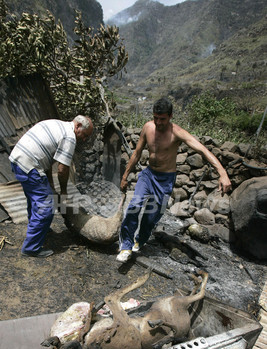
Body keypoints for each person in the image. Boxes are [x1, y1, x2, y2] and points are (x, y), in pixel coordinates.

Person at [116, 97, 231, 262]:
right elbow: (137, 153)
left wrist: (223, 173)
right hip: (148, 175)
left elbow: (203, 150)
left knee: (151, 217)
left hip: (165, 180)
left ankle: (139, 240)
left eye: (162, 119)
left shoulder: (177, 132)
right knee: (134, 206)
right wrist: (125, 176)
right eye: (155, 117)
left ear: (170, 116)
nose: (158, 122)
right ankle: (125, 246)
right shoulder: (148, 127)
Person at [9, 115, 94, 258]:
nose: (84, 139)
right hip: (30, 164)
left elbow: (46, 161)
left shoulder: (57, 125)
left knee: (35, 199)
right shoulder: (70, 137)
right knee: (46, 207)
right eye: (84, 135)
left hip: (19, 160)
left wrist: (50, 185)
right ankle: (31, 247)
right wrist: (64, 192)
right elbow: (62, 169)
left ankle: (39, 229)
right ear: (78, 126)